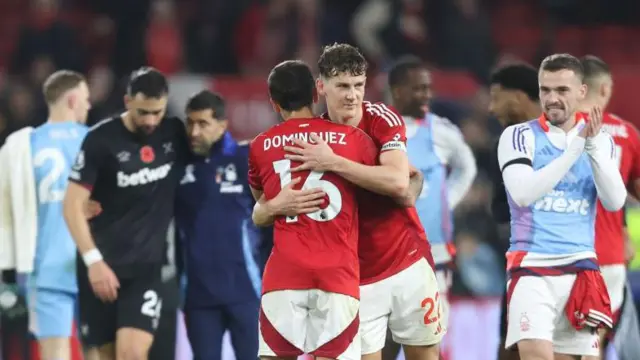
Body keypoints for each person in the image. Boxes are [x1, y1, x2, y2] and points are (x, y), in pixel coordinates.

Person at [256, 44, 444, 360]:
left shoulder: (381, 118)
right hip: (355, 277)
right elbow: (266, 204)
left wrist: (334, 162)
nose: (352, 95)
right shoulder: (313, 137)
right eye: (342, 86)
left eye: (358, 86)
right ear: (320, 88)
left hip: (405, 260)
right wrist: (273, 206)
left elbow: (399, 182)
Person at [498, 53, 627, 360]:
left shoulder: (602, 141)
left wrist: (591, 146)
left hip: (581, 269)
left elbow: (614, 200)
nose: (552, 99)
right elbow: (523, 194)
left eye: (562, 90)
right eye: (545, 90)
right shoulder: (518, 136)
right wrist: (574, 150)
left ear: (582, 92)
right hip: (532, 268)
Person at [248, 59, 377, 360]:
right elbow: (383, 187)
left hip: (284, 273)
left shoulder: (260, 146)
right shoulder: (355, 141)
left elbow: (262, 204)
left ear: (274, 103)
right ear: (316, 94)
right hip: (338, 274)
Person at [63, 67, 189, 360]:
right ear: (127, 101)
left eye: (156, 112)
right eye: (143, 111)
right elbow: (71, 205)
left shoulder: (173, 134)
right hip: (101, 270)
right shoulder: (100, 140)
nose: (150, 120)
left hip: (146, 271)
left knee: (131, 353)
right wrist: (93, 261)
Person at [382, 56, 477, 360]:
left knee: (427, 343)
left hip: (432, 254)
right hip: (386, 255)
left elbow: (467, 167)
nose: (426, 95)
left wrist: (445, 201)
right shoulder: (374, 132)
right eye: (418, 88)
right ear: (396, 91)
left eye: (428, 88)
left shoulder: (440, 131)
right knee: (382, 343)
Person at [0, 70, 90, 360]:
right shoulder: (96, 141)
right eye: (86, 100)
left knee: (54, 355)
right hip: (92, 263)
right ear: (73, 100)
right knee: (97, 351)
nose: (89, 106)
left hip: (44, 266)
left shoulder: (22, 146)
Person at [174, 90, 262, 360]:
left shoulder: (246, 159)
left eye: (203, 124)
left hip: (245, 291)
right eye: (190, 123)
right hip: (199, 297)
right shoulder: (178, 166)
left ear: (222, 125)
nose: (194, 131)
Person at [578, 55, 640, 359]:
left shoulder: (551, 130)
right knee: (594, 341)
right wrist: (624, 228)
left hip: (557, 254)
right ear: (604, 90)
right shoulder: (627, 134)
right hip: (608, 255)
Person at [486, 62, 541, 360]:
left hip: (559, 264)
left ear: (518, 96)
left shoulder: (569, 139)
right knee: (510, 345)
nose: (491, 108)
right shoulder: (502, 144)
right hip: (522, 265)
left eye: (496, 97)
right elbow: (498, 210)